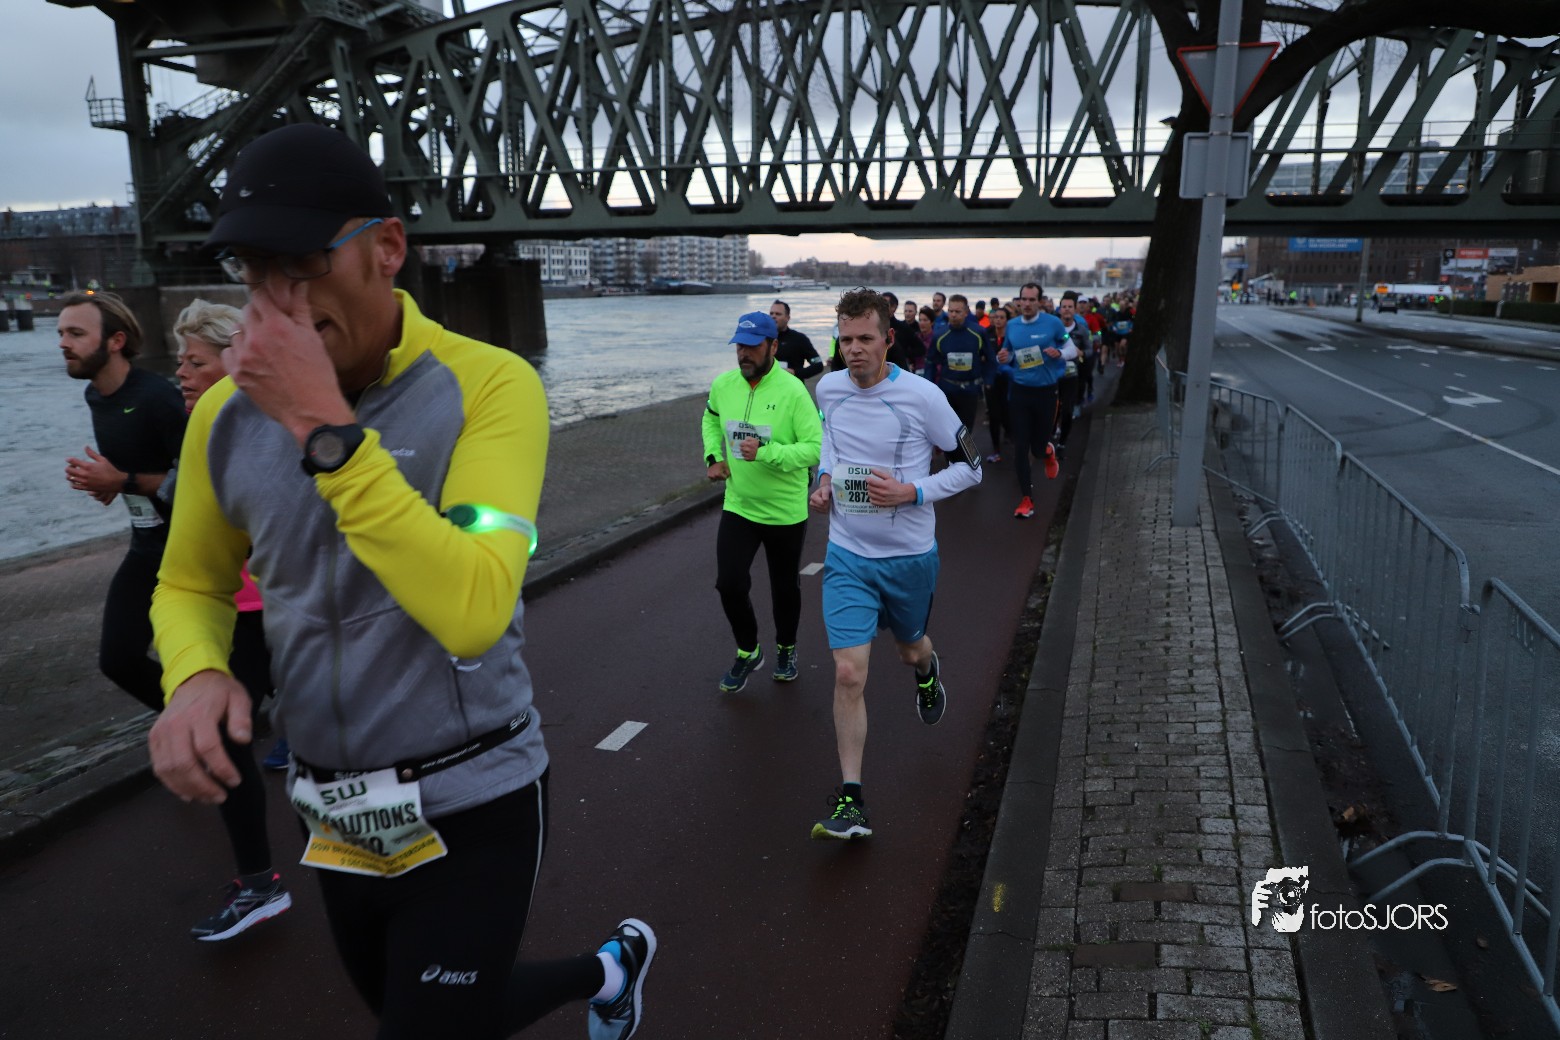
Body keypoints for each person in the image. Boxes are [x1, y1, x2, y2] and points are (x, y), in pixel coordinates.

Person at [146, 123, 654, 1040]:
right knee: (415, 1009)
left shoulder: (491, 386)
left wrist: (323, 430)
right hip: (333, 807)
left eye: (301, 263)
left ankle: (602, 971)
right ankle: (608, 970)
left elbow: (475, 606)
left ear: (387, 248)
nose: (276, 301)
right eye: (252, 271)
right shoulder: (221, 413)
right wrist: (196, 674)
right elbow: (189, 584)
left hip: (474, 794)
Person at [807, 288, 982, 840]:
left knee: (910, 650)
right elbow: (832, 444)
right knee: (848, 672)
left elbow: (972, 467)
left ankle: (928, 671)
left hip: (908, 557)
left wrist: (912, 492)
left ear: (887, 339)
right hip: (847, 555)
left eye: (865, 338)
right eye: (845, 339)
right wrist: (825, 481)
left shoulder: (923, 397)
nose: (853, 349)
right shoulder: (828, 388)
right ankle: (851, 800)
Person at [161, 298, 293, 940]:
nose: (181, 373)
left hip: (270, 610)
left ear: (232, 359)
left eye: (195, 362)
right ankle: (262, 882)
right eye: (180, 362)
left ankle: (277, 880)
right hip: (226, 613)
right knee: (232, 746)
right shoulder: (195, 421)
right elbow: (186, 562)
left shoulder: (264, 419)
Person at [60, 292, 188, 718]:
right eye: (61, 333)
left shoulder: (158, 398)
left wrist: (123, 480)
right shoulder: (95, 396)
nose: (62, 343)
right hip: (147, 546)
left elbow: (203, 484)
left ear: (115, 341)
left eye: (76, 333)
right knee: (118, 660)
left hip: (194, 550)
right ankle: (198, 722)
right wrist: (110, 483)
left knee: (249, 657)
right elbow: (138, 465)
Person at [701, 311, 822, 691]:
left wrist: (767, 452)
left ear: (773, 346)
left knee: (784, 588)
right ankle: (748, 650)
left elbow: (814, 448)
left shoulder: (793, 391)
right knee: (729, 583)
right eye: (740, 346)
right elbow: (710, 418)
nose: (744, 353)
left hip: (785, 510)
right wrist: (713, 457)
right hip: (739, 504)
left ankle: (786, 649)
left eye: (753, 346)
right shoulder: (724, 385)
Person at [996, 282, 1072, 519]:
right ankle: (1026, 499)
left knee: (1037, 448)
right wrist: (1002, 357)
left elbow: (1071, 346)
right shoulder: (1012, 325)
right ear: (1019, 301)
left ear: (1040, 301)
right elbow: (1007, 353)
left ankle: (1047, 452)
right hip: (1020, 391)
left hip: (1046, 392)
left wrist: (1061, 353)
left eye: (1031, 300)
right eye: (1023, 299)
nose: (1027, 304)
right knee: (1020, 446)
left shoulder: (1053, 324)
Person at [923, 294, 996, 438]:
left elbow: (990, 359)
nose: (953, 315)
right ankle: (951, 453)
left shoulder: (978, 332)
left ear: (966, 312)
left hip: (970, 389)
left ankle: (964, 453)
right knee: (947, 431)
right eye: (951, 311)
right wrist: (929, 387)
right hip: (948, 388)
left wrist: (989, 380)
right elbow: (931, 362)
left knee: (966, 432)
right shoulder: (940, 335)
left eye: (957, 311)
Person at [1053, 292, 1091, 456]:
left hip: (1071, 375)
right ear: (1059, 309)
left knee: (1067, 409)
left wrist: (1081, 352)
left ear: (1075, 309)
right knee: (1052, 409)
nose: (1067, 310)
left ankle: (1062, 443)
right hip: (1053, 376)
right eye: (1064, 307)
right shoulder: (1053, 328)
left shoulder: (1082, 330)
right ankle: (1050, 436)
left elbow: (1090, 350)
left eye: (1070, 307)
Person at [983, 305, 1012, 463]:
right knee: (994, 415)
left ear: (1007, 320)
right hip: (991, 381)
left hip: (1010, 381)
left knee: (1007, 414)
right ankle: (996, 450)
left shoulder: (1012, 335)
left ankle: (1011, 436)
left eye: (1001, 317)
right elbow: (981, 355)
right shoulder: (987, 334)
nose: (998, 320)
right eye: (995, 317)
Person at [769, 299, 823, 381]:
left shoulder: (799, 339)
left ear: (787, 318)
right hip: (768, 386)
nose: (773, 316)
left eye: (778, 314)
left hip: (792, 386)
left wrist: (795, 372)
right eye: (771, 313)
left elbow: (818, 365)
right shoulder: (763, 339)